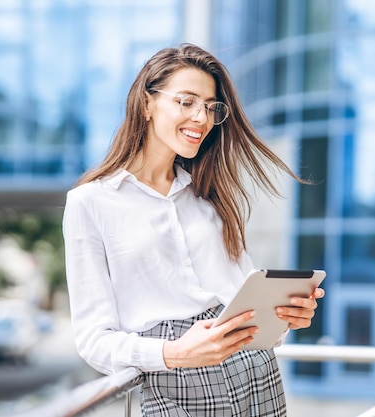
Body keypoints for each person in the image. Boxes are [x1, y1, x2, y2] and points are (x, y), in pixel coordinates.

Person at [63, 43, 325, 416]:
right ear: (146, 103)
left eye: (210, 106)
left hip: (254, 370)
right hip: (176, 380)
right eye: (186, 102)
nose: (201, 118)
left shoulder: (209, 196)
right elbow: (93, 340)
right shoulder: (90, 203)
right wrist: (172, 353)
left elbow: (241, 298)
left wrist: (283, 318)